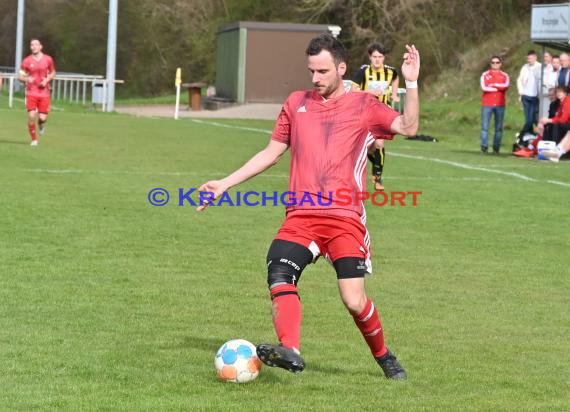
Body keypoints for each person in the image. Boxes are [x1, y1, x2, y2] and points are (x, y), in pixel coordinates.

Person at [197, 34, 420, 380]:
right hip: (301, 216)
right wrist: (225, 183)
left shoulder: (364, 104)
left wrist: (410, 82)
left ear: (341, 68)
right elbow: (271, 153)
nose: (315, 79)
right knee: (279, 270)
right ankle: (291, 350)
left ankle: (384, 356)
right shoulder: (296, 103)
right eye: (311, 71)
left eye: (322, 71)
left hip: (345, 218)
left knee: (353, 300)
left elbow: (409, 126)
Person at [352, 43, 400, 191]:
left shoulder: (391, 71)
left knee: (379, 144)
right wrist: (369, 94)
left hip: (382, 113)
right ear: (370, 57)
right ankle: (374, 165)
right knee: (367, 148)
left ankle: (378, 177)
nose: (377, 60)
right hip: (365, 113)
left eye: (380, 57)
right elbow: (353, 90)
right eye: (374, 57)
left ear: (384, 58)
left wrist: (394, 94)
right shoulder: (363, 71)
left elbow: (396, 77)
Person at [18, 38, 56, 146]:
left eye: (36, 45)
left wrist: (47, 80)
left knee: (42, 118)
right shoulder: (26, 61)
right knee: (31, 116)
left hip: (44, 93)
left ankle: (41, 125)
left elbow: (53, 72)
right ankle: (34, 139)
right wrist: (26, 79)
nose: (33, 47)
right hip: (31, 92)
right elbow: (20, 76)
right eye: (31, 45)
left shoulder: (48, 59)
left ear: (41, 46)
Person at [479, 56, 510, 154]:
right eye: (493, 62)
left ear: (500, 63)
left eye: (497, 62)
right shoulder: (485, 75)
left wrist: (493, 85)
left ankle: (496, 148)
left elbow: (505, 86)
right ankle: (484, 147)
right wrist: (497, 87)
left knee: (499, 128)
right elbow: (484, 88)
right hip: (487, 104)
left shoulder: (505, 75)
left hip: (500, 104)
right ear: (490, 64)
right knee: (485, 127)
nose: (495, 64)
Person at [516, 50, 541, 136]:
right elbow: (519, 79)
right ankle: (529, 135)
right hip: (525, 96)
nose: (528, 60)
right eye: (528, 58)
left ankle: (522, 133)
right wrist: (521, 92)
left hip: (534, 97)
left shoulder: (540, 67)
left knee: (531, 118)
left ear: (535, 57)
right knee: (527, 118)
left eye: (530, 58)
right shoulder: (525, 67)